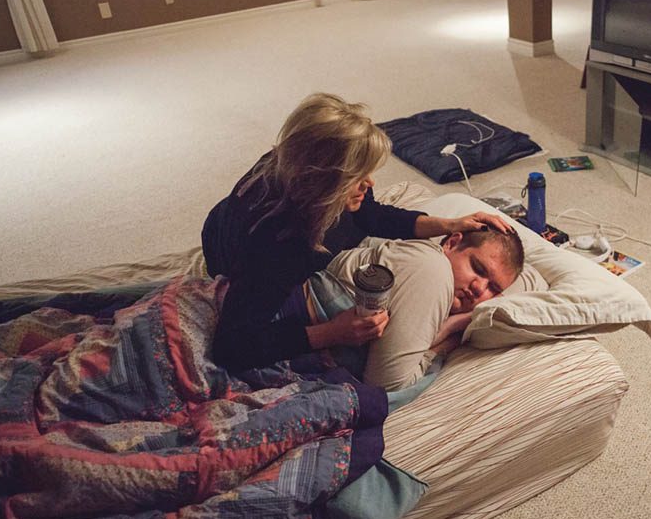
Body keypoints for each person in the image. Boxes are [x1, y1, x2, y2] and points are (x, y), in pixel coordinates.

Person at [202, 93, 512, 373]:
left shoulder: (292, 162)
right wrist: (331, 332)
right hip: (232, 251)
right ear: (321, 181)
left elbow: (374, 216)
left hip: (234, 220)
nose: (371, 183)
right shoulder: (282, 243)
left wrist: (449, 224)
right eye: (357, 176)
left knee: (358, 222)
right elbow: (232, 347)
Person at [319, 228, 524, 391]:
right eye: (478, 269)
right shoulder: (434, 269)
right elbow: (388, 387)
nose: (479, 288)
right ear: (451, 243)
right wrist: (446, 337)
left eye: (493, 288)